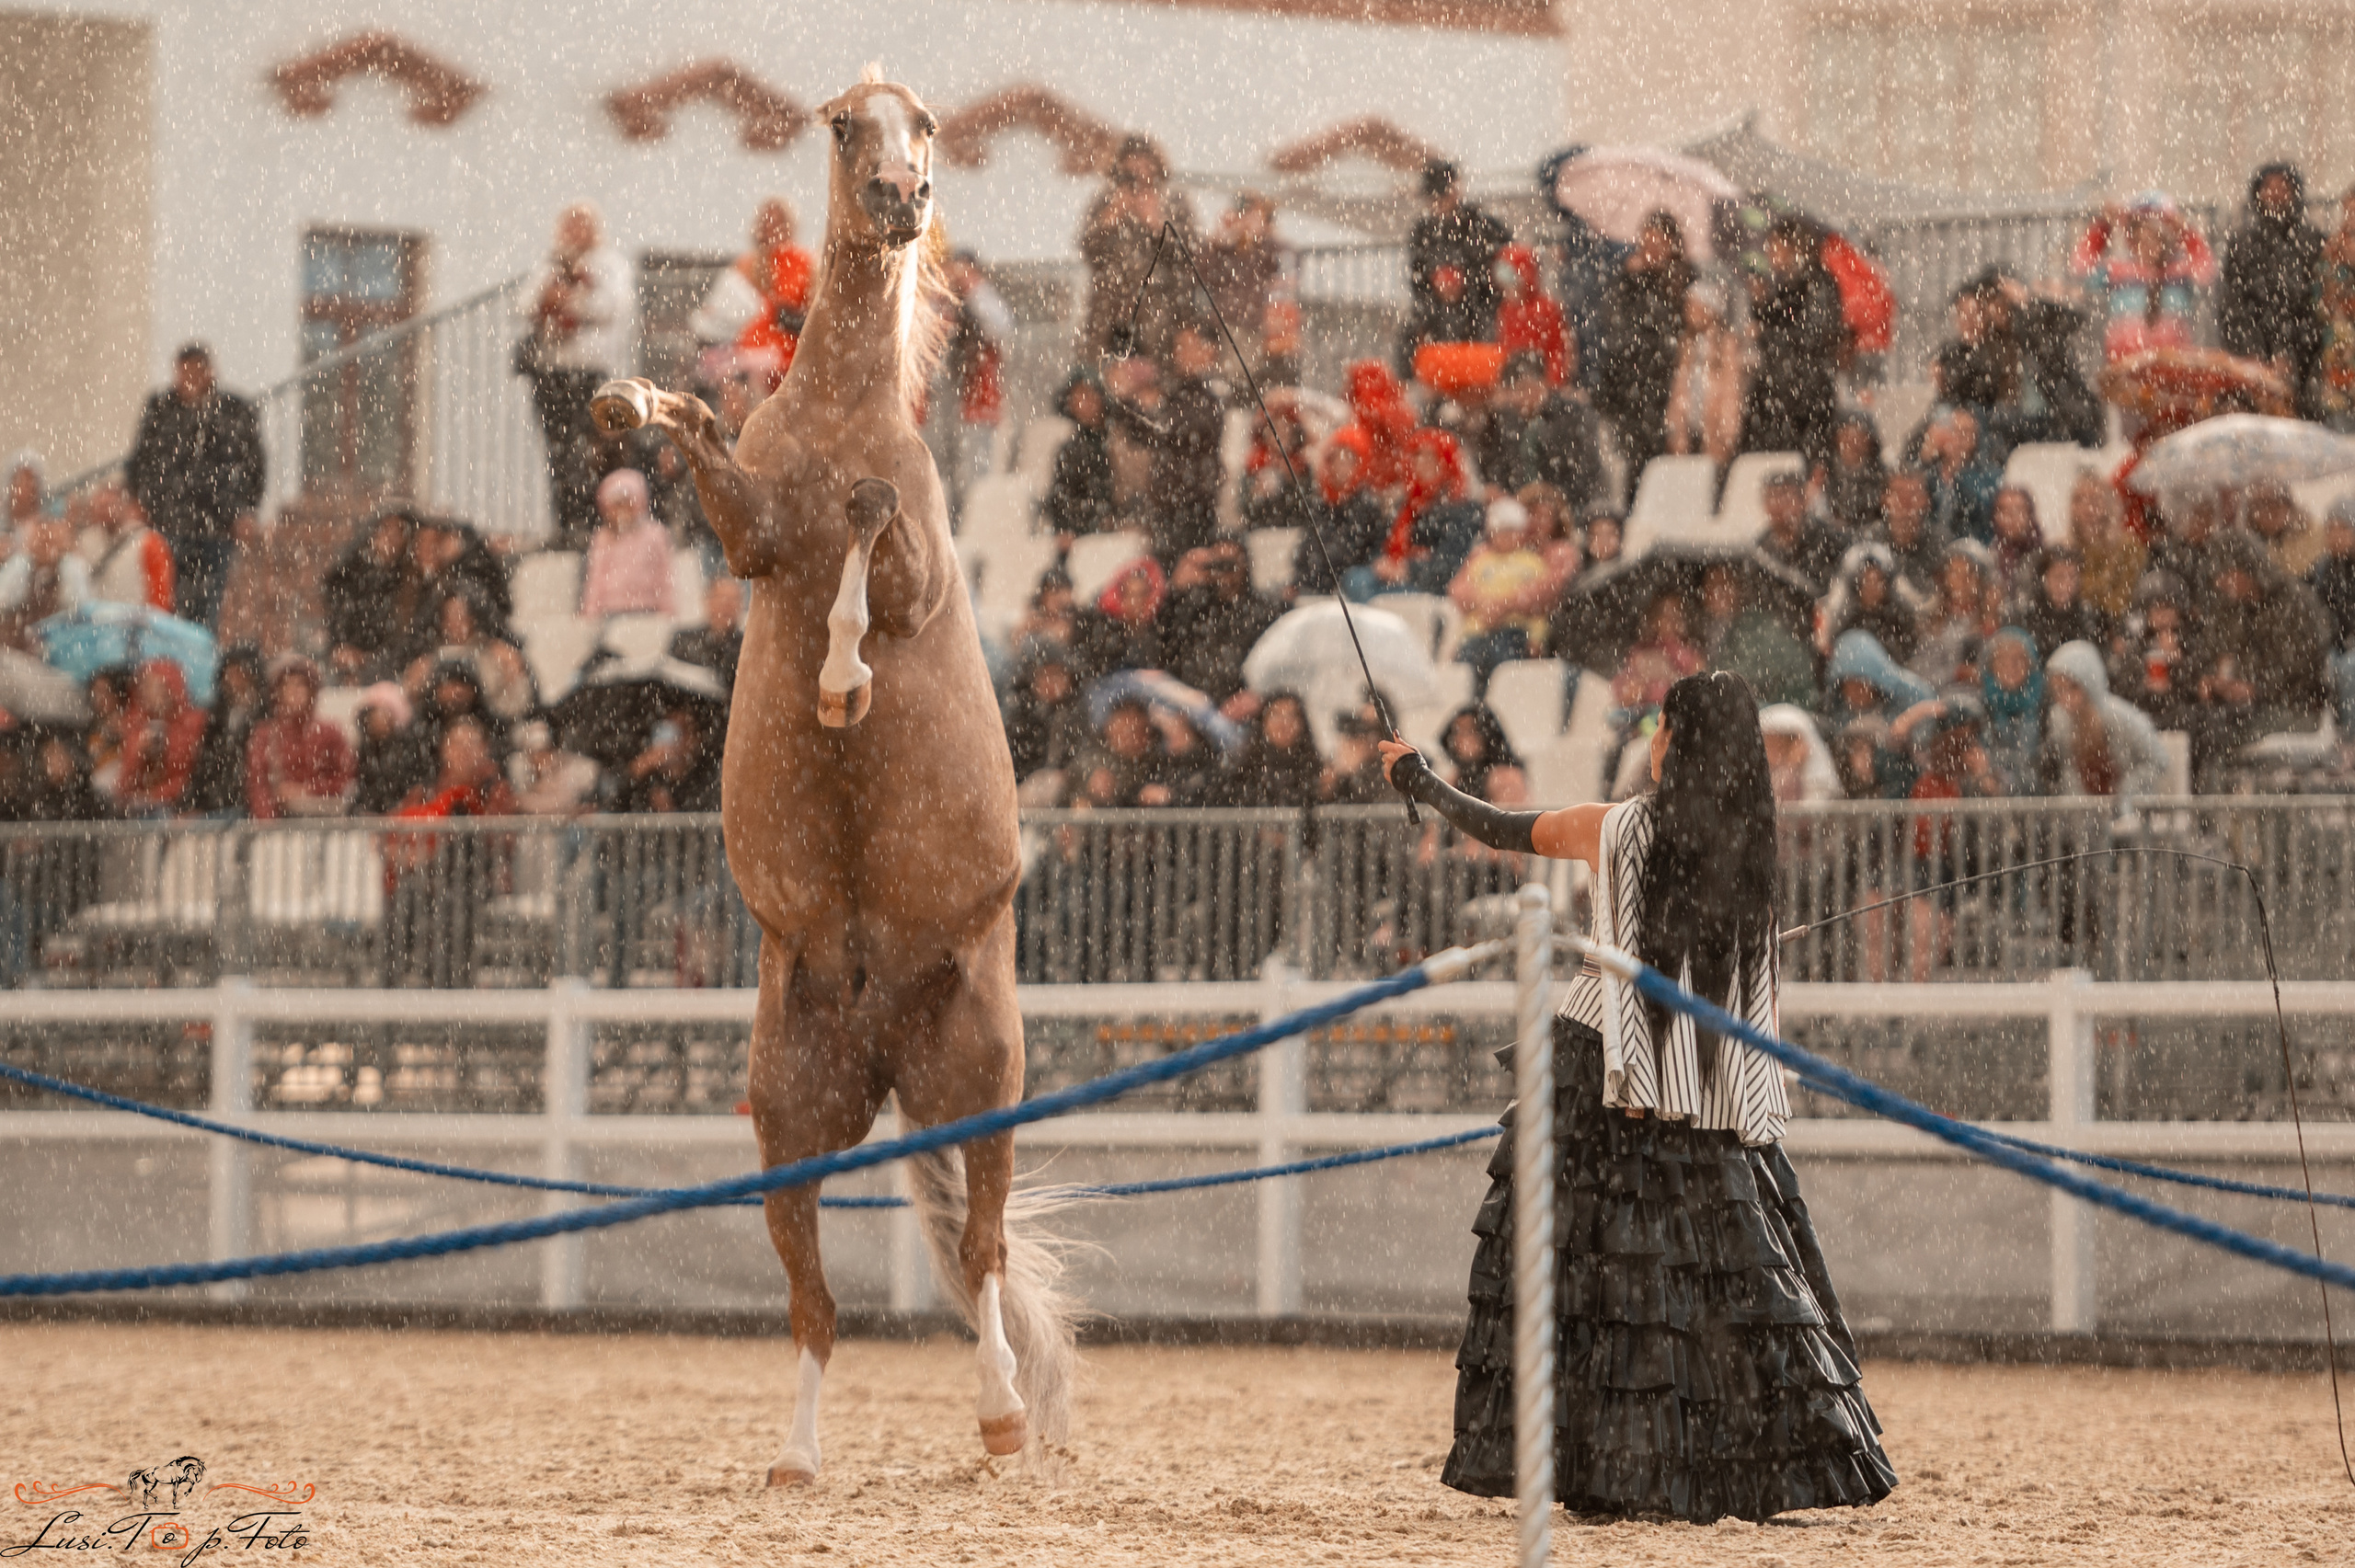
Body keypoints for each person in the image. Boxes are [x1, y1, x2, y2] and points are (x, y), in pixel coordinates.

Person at [1378, 670, 1896, 1522]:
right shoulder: (1755, 852)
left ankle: (1590, 1457)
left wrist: (1416, 777)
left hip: (1597, 1063)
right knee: (1706, 1279)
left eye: (1661, 727)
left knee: (1583, 1274)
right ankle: (1725, 1464)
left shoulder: (1616, 827)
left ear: (1675, 742)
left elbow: (1496, 826)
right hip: (1704, 1085)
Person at [124, 342, 264, 629]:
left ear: (209, 371)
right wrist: (138, 499)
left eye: (197, 369)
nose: (190, 377)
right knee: (167, 603)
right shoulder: (161, 409)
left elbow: (254, 466)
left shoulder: (233, 411)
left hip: (218, 524)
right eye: (185, 370)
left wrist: (246, 510)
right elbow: (141, 459)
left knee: (208, 606)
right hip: (168, 521)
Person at [515, 203, 633, 545]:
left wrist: (572, 302)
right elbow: (523, 304)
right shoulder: (547, 264)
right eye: (569, 226)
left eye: (581, 226)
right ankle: (566, 523)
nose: (574, 233)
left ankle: (592, 523)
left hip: (589, 373)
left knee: (589, 451)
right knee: (558, 451)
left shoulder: (611, 266)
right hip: (550, 371)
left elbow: (613, 306)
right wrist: (547, 298)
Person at [1593, 211, 1694, 493]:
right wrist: (1631, 280)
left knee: (1668, 462)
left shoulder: (1684, 282)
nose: (1650, 250)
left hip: (1666, 384)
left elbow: (1675, 329)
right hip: (1632, 389)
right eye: (1646, 242)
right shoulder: (1628, 282)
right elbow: (1613, 328)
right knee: (1634, 463)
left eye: (1657, 243)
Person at [1077, 136, 1200, 363]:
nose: (1138, 174)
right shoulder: (1106, 201)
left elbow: (1189, 253)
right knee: (1103, 372)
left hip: (1160, 306)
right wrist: (1110, 218)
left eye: (1144, 166)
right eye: (1130, 167)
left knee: (1155, 374)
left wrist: (1156, 223)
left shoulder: (1174, 201)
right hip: (1110, 307)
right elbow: (1088, 250)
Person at [1739, 215, 1846, 470]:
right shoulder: (1787, 285)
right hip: (1780, 390)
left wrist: (1765, 332)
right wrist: (1760, 304)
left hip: (1804, 392)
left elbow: (1813, 336)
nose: (1770, 252)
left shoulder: (1817, 282)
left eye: (1775, 245)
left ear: (1794, 246)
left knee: (1799, 466)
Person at [2218, 163, 2326, 417]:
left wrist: (2290, 355)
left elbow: (2316, 308)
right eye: (2268, 187)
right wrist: (2253, 353)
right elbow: (2233, 307)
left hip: (2305, 367)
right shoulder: (2241, 244)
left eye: (2282, 187)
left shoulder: (2313, 242)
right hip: (2252, 368)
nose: (2275, 194)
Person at [2069, 195, 2216, 363]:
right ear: (2131, 241)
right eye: (2140, 238)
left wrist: (2185, 231)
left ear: (2168, 239)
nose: (2148, 245)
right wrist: (2103, 227)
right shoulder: (2118, 271)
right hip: (2125, 369)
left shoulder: (2180, 271)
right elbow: (2080, 268)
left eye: (2155, 237)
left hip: (2173, 369)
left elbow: (2207, 271)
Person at [688, 197, 815, 390]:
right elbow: (722, 305)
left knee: (755, 376)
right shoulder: (746, 264)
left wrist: (780, 313)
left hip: (783, 354)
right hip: (743, 347)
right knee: (725, 379)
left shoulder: (804, 263)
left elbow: (809, 316)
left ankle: (757, 418)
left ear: (789, 225)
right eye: (766, 221)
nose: (771, 227)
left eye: (777, 221)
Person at [1349, 429, 1482, 600]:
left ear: (1447, 463)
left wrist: (1409, 568)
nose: (1422, 464)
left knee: (1376, 594)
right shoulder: (1406, 505)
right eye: (1417, 457)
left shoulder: (1462, 508)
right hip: (1392, 579)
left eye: (1430, 458)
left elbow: (1450, 563)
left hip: (1428, 588)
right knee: (1355, 580)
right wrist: (1385, 564)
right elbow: (1381, 544)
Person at [1401, 161, 1511, 365]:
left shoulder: (1481, 226)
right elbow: (1417, 277)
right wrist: (1436, 290)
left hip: (1479, 304)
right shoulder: (1423, 231)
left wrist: (1469, 283)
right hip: (1439, 311)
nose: (1439, 205)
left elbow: (1503, 265)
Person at [1447, 497, 1557, 692]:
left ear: (1521, 533)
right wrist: (1484, 606)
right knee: (1465, 668)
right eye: (1501, 532)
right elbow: (1460, 593)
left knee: (1505, 667)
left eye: (1511, 531)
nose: (1506, 537)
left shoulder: (1532, 564)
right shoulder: (1480, 562)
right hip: (1477, 632)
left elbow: (1539, 608)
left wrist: (1537, 638)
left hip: (1513, 632)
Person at [2044, 640, 2170, 806]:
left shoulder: (2123, 718)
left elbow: (2159, 761)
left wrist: (2125, 793)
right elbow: (2068, 770)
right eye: (2059, 690)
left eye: (2073, 687)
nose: (2066, 698)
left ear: (2090, 682)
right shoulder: (2059, 720)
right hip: (2086, 818)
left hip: (2132, 814)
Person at [1476, 352, 1605, 511]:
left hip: (1564, 510)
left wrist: (1549, 501)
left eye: (1520, 389)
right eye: (1511, 392)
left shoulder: (1571, 416)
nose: (1515, 399)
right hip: (1517, 511)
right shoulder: (1506, 420)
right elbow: (1495, 467)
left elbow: (1586, 473)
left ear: (1538, 384)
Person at [937, 247, 1012, 516]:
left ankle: (972, 523)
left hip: (977, 404)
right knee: (944, 476)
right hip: (946, 407)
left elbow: (1000, 327)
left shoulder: (983, 302)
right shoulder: (946, 305)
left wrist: (972, 291)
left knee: (974, 480)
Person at [1161, 540, 1281, 706]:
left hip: (1243, 705)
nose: (1223, 572)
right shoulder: (1193, 606)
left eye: (1229, 564)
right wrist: (1175, 589)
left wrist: (1255, 695)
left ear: (1245, 566)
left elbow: (1273, 666)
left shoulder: (1264, 611)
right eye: (1216, 564)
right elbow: (1162, 646)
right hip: (1192, 703)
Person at [245, 657, 354, 819]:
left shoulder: (330, 732)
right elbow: (257, 784)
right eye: (287, 685)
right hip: (281, 826)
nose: (294, 691)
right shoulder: (265, 734)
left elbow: (346, 779)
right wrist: (268, 821)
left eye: (301, 684)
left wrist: (306, 790)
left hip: (325, 825)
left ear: (312, 691)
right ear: (278, 692)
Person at [324, 506, 422, 684]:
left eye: (398, 530)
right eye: (385, 528)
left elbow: (406, 641)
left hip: (390, 674)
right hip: (350, 668)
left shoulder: (413, 583)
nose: (390, 537)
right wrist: (342, 650)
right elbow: (340, 620)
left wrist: (367, 660)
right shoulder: (354, 577)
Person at [110, 659, 209, 816]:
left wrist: (156, 796)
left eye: (152, 685)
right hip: (143, 814)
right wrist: (138, 753)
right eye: (142, 686)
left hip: (183, 809)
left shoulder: (195, 724)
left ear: (171, 687)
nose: (144, 692)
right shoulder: (136, 726)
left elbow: (194, 775)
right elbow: (123, 788)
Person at [580, 470, 675, 618]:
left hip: (647, 610)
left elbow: (664, 575)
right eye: (615, 505)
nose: (620, 511)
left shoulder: (655, 534)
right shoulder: (602, 537)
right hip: (610, 611)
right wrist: (590, 612)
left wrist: (668, 610)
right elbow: (595, 579)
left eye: (626, 503)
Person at [186, 647, 266, 816]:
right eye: (228, 673)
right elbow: (204, 764)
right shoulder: (217, 717)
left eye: (239, 673)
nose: (232, 680)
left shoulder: (264, 714)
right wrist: (193, 803)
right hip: (215, 802)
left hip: (247, 803)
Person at [1042, 371, 1116, 547]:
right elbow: (1060, 500)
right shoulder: (1070, 450)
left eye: (1088, 395)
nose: (1083, 403)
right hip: (1085, 541)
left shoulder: (1120, 441)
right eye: (1077, 397)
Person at [1216, 691, 1324, 808]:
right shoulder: (1243, 769)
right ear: (1263, 722)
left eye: (1291, 716)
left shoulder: (1317, 771)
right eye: (1276, 715)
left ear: (1302, 724)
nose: (1284, 723)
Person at [0, 512, 88, 652]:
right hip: (20, 642)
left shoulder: (73, 567)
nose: (46, 546)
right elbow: (3, 601)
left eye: (51, 541)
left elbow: (80, 607)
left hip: (61, 641)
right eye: (41, 540)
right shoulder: (19, 565)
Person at [79, 484, 173, 612]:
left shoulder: (148, 540)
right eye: (100, 506)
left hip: (137, 621)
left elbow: (161, 593)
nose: (106, 511)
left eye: (109, 505)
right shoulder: (85, 542)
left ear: (124, 506)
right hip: (100, 621)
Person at [1821, 543, 1918, 664]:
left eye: (1877, 581)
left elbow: (1907, 654)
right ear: (1859, 585)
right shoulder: (1848, 619)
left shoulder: (1897, 618)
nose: (1872, 587)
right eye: (1868, 581)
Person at [1979, 627, 2046, 797]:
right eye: (2002, 661)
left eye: (2018, 660)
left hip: (2038, 802)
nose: (2011, 667)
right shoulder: (1981, 708)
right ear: (1991, 668)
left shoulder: (2045, 705)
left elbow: (2046, 765)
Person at [2068, 472, 2144, 622]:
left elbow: (2122, 600)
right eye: (2080, 500)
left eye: (2095, 500)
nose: (2088, 508)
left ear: (2109, 504)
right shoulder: (2064, 549)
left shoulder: (2128, 547)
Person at [2009, 546, 2108, 658]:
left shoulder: (2090, 617)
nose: (2066, 585)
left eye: (2072, 577)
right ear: (2043, 578)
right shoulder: (2025, 615)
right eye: (2059, 577)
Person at [1754, 471, 1844, 595]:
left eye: (1785, 495)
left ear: (1803, 501)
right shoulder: (1760, 549)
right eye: (1772, 496)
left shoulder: (1828, 539)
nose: (1778, 503)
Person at [1493, 246, 1570, 386]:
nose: (1506, 289)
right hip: (1514, 382)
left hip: (1539, 382)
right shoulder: (1506, 309)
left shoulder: (1547, 308)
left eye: (1512, 282)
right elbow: (1504, 349)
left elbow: (1557, 350)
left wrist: (1553, 384)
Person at [351, 681, 430, 816]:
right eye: (373, 715)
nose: (377, 721)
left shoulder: (409, 750)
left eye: (383, 714)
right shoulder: (366, 750)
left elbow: (414, 788)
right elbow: (362, 788)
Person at [2312, 500, 2355, 741]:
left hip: (2350, 648)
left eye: (2342, 528)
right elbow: (2317, 608)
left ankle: (2350, 739)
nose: (2335, 535)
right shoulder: (2325, 568)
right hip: (2335, 644)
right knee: (2323, 663)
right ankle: (2328, 736)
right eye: (2331, 529)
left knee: (2350, 668)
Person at [1874, 469, 1948, 602]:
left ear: (1927, 501)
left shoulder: (1942, 543)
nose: (1905, 502)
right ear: (1884, 500)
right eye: (1898, 494)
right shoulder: (1869, 544)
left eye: (1913, 495)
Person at [669, 576, 745, 700]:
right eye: (721, 598)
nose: (727, 605)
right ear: (707, 600)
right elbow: (669, 683)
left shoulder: (748, 647)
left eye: (734, 599)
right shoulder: (683, 639)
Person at [1814, 412, 1888, 537]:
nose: (1853, 442)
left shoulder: (1883, 475)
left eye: (1859, 435)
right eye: (1846, 435)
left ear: (1870, 439)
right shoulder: (1823, 473)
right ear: (1836, 438)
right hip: (1832, 537)